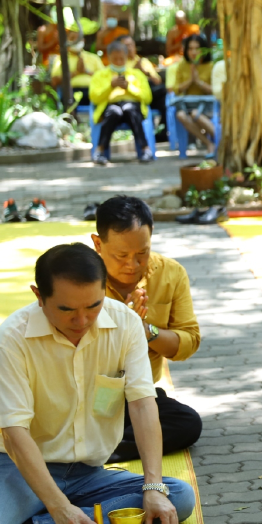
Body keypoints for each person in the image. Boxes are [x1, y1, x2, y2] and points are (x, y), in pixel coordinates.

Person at [0, 243, 196, 524]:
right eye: (66, 309)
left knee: (178, 497)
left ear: (104, 290)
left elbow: (143, 405)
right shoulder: (12, 338)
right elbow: (14, 432)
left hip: (87, 472)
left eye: (93, 306)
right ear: (38, 295)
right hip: (20, 469)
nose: (81, 320)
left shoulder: (126, 323)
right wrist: (60, 508)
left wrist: (154, 486)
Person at [88, 196, 204, 459]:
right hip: (85, 392)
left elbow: (188, 342)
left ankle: (89, 448)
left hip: (137, 395)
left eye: (142, 253)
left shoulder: (171, 274)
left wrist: (144, 330)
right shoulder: (79, 276)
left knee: (187, 424)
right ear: (97, 243)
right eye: (121, 255)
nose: (132, 264)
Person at [89, 41, 155, 166]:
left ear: (126, 57)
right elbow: (94, 98)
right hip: (110, 108)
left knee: (129, 109)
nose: (118, 62)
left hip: (132, 107)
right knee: (114, 111)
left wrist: (129, 88)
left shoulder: (136, 74)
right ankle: (99, 152)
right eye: (115, 59)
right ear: (108, 58)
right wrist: (111, 86)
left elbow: (147, 98)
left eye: (121, 59)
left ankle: (146, 150)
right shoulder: (100, 75)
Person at [168, 34, 215, 156]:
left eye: (197, 48)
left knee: (196, 114)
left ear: (203, 49)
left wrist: (199, 82)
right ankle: (209, 144)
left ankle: (221, 139)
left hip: (208, 106)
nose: (193, 52)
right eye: (190, 48)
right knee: (181, 115)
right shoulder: (182, 66)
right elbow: (176, 89)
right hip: (187, 105)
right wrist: (190, 81)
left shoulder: (210, 66)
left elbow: (215, 90)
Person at [49, 26, 104, 108]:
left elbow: (104, 77)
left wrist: (86, 71)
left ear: (83, 41)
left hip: (92, 91)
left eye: (78, 38)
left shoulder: (93, 58)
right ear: (67, 41)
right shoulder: (61, 59)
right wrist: (76, 72)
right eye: (72, 38)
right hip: (70, 92)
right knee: (69, 100)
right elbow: (54, 81)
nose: (76, 41)